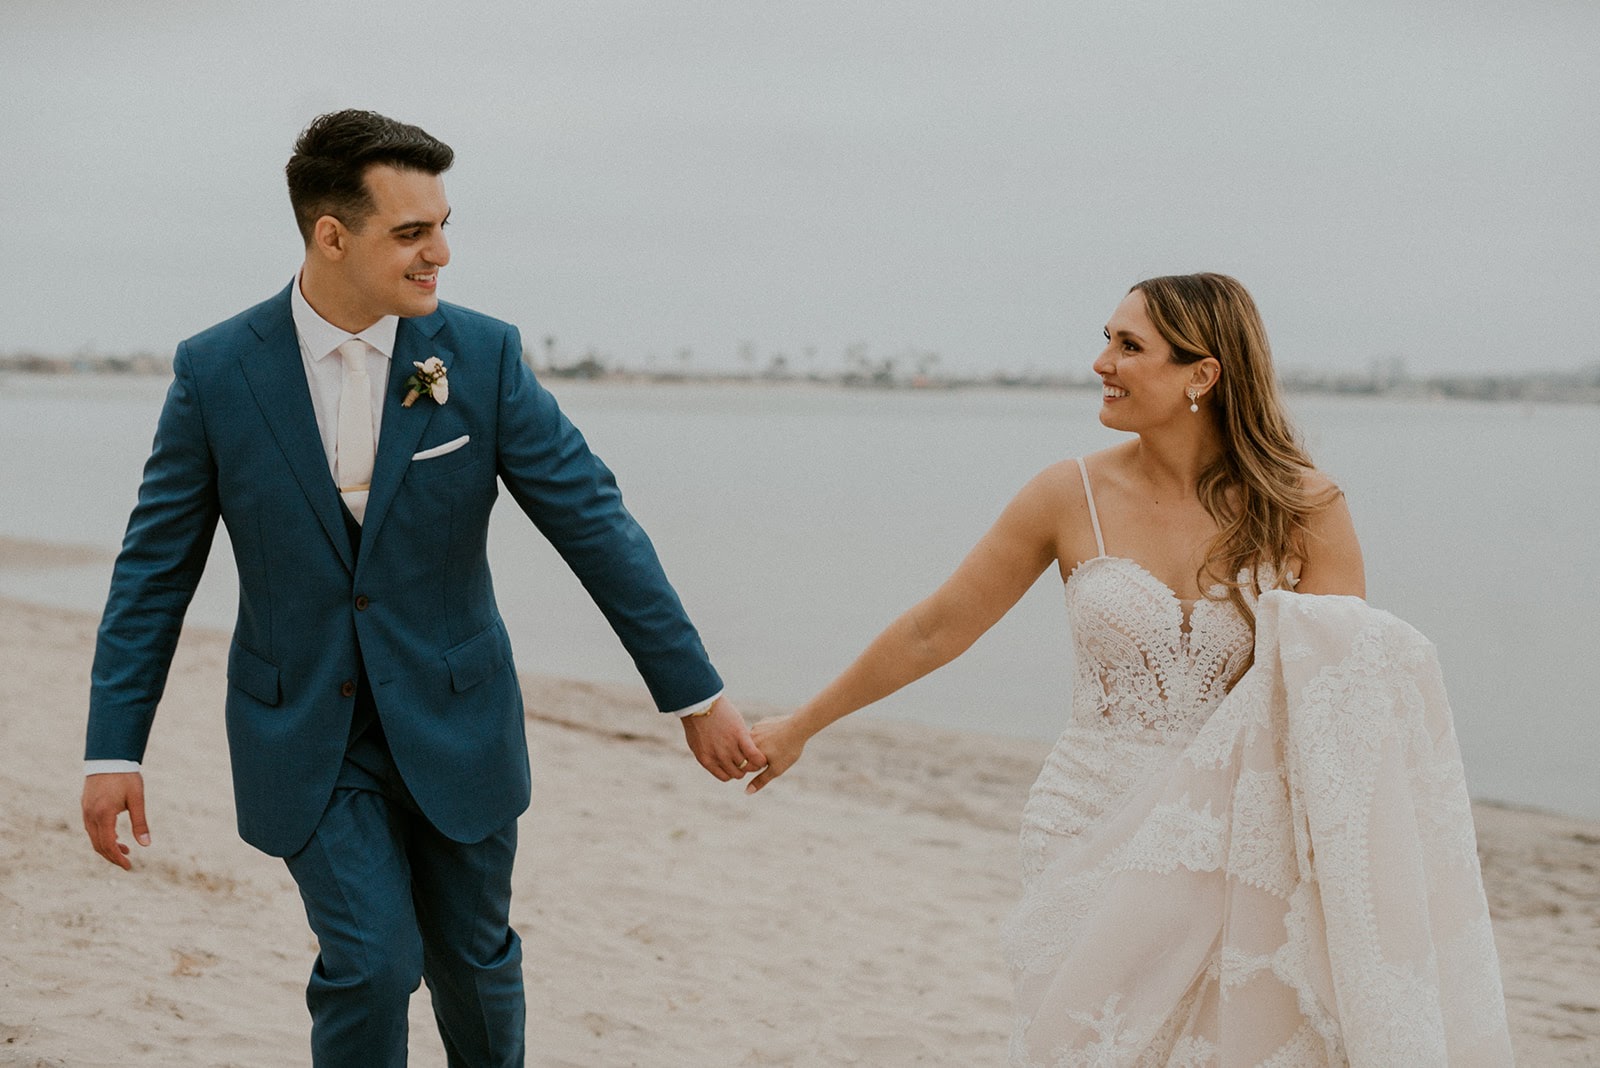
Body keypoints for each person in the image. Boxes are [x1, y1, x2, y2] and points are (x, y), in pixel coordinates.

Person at [79, 109, 764, 1067]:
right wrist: (113, 748)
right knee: (369, 964)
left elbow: (594, 525)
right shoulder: (216, 371)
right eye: (412, 232)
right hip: (307, 730)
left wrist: (694, 695)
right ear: (331, 235)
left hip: (459, 720)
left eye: (442, 224)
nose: (440, 251)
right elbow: (155, 571)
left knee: (476, 964)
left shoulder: (480, 357)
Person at [746, 273, 1512, 1064]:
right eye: (1107, 339)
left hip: (1239, 836)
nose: (1100, 362)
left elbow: (1341, 710)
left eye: (1128, 346)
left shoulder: (1305, 506)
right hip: (1086, 816)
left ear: (1201, 375)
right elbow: (934, 631)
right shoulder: (1066, 493)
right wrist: (801, 726)